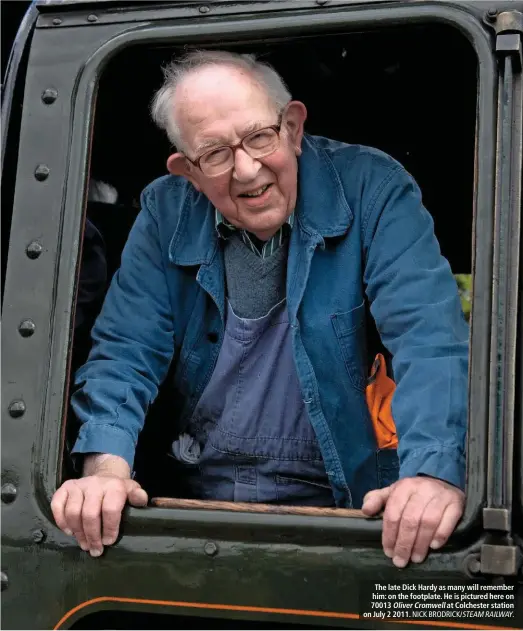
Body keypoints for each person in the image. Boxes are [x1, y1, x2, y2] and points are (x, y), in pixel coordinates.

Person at [51, 50, 468, 569]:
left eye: (259, 137)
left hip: (343, 507)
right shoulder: (165, 211)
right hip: (191, 504)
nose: (247, 169)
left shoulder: (373, 188)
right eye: (216, 154)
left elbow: (427, 336)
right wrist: (105, 472)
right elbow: (125, 350)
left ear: (292, 127)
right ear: (188, 171)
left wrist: (431, 475)